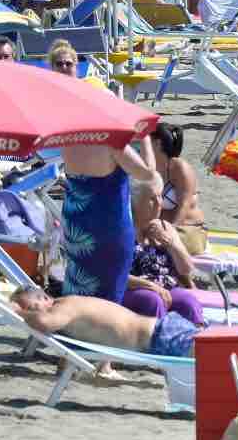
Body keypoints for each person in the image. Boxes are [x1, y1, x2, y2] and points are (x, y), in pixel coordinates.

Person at [59, 136, 162, 305]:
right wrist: (145, 137)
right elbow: (147, 174)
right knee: (106, 296)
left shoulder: (69, 139)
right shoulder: (112, 143)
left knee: (78, 283)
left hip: (77, 221)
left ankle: (73, 327)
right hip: (106, 224)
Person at [150, 123, 208, 255]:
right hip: (163, 230)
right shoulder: (152, 168)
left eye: (147, 140)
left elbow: (184, 205)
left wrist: (170, 233)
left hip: (188, 230)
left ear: (157, 143)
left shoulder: (178, 166)